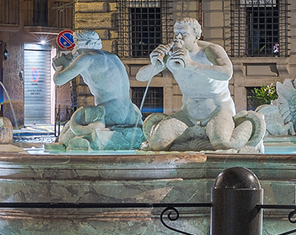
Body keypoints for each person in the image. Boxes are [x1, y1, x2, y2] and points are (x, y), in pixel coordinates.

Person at [135, 18, 241, 150]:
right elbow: (140, 77)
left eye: (184, 34)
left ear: (196, 36)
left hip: (218, 109)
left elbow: (227, 73)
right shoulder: (171, 54)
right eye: (176, 33)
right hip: (188, 114)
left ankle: (248, 125)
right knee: (157, 142)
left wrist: (191, 65)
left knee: (222, 142)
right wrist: (155, 63)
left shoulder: (211, 50)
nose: (178, 38)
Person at [51, 31, 142, 150]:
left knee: (68, 131)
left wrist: (59, 66)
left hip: (109, 113)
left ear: (78, 45)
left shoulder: (87, 58)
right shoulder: (112, 57)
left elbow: (59, 80)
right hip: (130, 113)